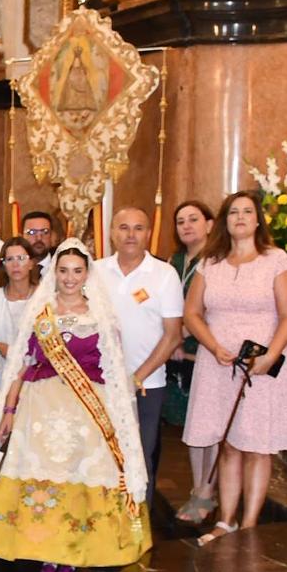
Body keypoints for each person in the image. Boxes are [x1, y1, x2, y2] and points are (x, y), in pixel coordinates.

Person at [0, 240, 152, 572]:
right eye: (63, 271)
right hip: (40, 407)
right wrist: (10, 409)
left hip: (88, 409)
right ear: (53, 274)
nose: (70, 278)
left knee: (78, 476)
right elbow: (22, 363)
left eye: (77, 271)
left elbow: (114, 371)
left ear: (88, 274)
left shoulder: (101, 315)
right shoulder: (40, 313)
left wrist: (117, 417)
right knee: (43, 476)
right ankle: (46, 553)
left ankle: (72, 554)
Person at [182, 191, 287, 543]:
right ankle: (226, 520)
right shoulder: (210, 262)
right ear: (224, 220)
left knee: (256, 446)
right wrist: (213, 345)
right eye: (233, 212)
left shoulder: (275, 260)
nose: (240, 217)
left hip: (260, 366)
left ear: (258, 220)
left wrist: (271, 355)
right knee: (228, 443)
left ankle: (249, 524)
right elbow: (192, 313)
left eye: (247, 212)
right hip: (218, 363)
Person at [96, 207, 186, 490]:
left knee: (139, 460)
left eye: (138, 228)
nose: (130, 234)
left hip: (147, 385)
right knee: (98, 459)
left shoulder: (164, 274)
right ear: (112, 233)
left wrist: (136, 378)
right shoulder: (95, 271)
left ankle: (137, 530)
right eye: (123, 227)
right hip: (97, 383)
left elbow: (172, 336)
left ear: (148, 234)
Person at [165, 200, 218, 524]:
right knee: (192, 424)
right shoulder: (176, 261)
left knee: (209, 426)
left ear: (210, 224)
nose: (186, 226)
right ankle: (198, 487)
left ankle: (207, 491)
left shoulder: (216, 260)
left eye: (194, 219)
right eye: (181, 221)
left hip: (206, 348)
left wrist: (181, 333)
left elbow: (211, 306)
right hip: (179, 351)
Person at [0, 237, 39, 362]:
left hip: (35, 373)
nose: (15, 264)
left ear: (31, 263)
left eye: (21, 258)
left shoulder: (44, 299)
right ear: (3, 265)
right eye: (9, 259)